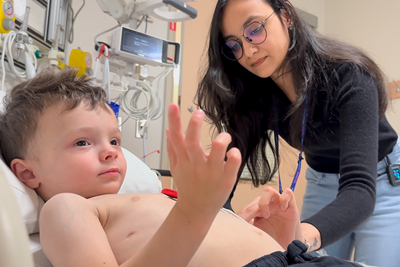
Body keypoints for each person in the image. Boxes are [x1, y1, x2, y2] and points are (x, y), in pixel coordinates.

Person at [0, 69, 370, 267]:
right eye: (82, 142)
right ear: (27, 173)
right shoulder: (67, 209)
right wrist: (194, 212)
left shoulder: (155, 197)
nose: (112, 152)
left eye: (114, 140)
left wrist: (278, 237)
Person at [195, 0, 400, 266]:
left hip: (381, 179)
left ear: (286, 16)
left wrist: (302, 237)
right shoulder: (256, 95)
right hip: (322, 181)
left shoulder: (351, 75)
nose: (247, 50)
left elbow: (360, 191)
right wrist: (221, 221)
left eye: (254, 29)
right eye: (234, 45)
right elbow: (227, 178)